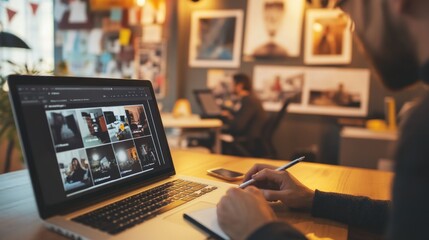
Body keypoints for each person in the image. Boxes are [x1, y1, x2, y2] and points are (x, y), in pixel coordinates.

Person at [217, 0, 429, 239]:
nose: (354, 29)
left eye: (345, 8)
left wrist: (259, 230)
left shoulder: (423, 127)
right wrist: (313, 199)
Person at [221, 73, 268, 156]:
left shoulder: (249, 101)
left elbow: (238, 127)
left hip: (248, 141)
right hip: (251, 139)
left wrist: (226, 118)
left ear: (239, 86)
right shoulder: (250, 99)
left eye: (232, 84)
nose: (230, 87)